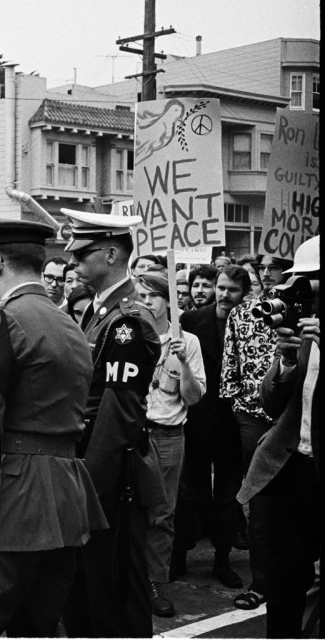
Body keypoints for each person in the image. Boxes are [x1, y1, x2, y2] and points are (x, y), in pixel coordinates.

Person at [0, 217, 105, 637]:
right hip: (65, 492)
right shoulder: (68, 322)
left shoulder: (2, 319)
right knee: (39, 623)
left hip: (14, 495)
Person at [58, 208, 164, 638]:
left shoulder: (126, 323)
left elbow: (118, 414)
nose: (74, 263)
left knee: (114, 594)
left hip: (109, 478)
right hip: (92, 468)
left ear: (111, 254)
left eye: (83, 254)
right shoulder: (96, 312)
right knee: (86, 589)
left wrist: (88, 488)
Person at [236, 236, 319, 639]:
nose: (301, 292)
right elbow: (271, 404)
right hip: (292, 469)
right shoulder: (299, 331)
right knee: (284, 581)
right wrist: (286, 360)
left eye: (310, 282)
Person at [221, 254, 291, 611]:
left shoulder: (306, 314)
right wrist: (238, 403)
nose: (267, 272)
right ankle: (261, 582)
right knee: (259, 503)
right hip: (253, 417)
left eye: (276, 266)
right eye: (263, 267)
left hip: (295, 417)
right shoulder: (241, 313)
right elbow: (229, 362)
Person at [134, 271, 206, 618]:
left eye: (152, 296)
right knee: (125, 509)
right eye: (141, 295)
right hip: (132, 432)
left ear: (168, 301)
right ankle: (125, 578)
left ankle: (153, 583)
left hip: (167, 435)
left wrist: (185, 364)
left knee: (161, 515)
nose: (145, 301)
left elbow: (192, 398)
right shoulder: (130, 333)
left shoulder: (187, 341)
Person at [172, 265, 249, 589]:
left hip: (232, 426)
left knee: (228, 498)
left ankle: (222, 558)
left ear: (243, 294)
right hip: (197, 422)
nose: (223, 294)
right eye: (221, 287)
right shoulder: (192, 321)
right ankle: (178, 557)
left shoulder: (250, 324)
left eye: (232, 290)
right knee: (188, 494)